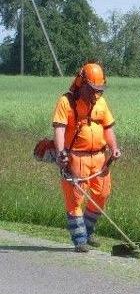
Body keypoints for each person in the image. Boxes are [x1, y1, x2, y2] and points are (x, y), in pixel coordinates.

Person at [52, 62, 122, 253]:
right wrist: (61, 154)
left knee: (102, 194)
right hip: (76, 158)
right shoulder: (66, 102)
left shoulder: (101, 102)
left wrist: (114, 148)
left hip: (100, 158)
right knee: (75, 200)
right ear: (81, 83)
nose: (95, 94)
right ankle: (80, 239)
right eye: (92, 89)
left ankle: (88, 230)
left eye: (99, 90)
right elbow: (59, 129)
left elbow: (108, 128)